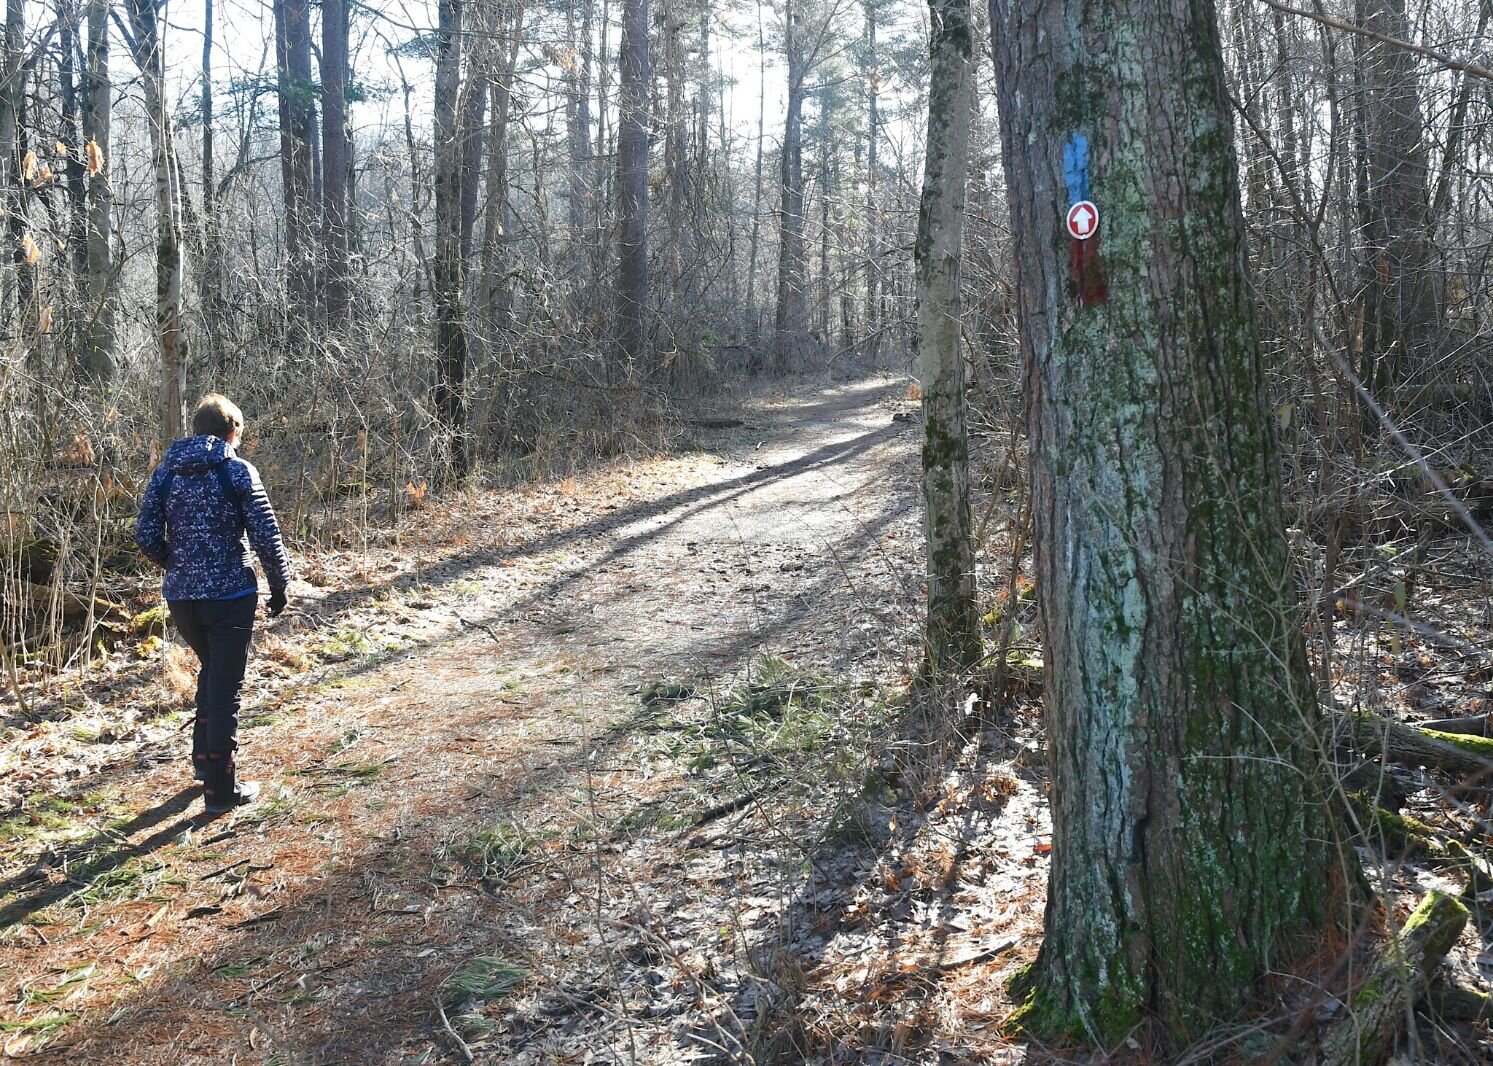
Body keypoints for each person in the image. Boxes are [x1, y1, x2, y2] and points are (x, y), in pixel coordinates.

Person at [134, 395, 293, 813]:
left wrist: (176, 562)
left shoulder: (166, 472)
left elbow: (145, 534)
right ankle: (222, 792)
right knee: (226, 689)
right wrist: (280, 585)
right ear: (233, 432)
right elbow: (266, 535)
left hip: (183, 598)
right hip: (230, 596)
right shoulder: (238, 471)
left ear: (195, 429)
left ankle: (205, 763)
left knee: (214, 674)